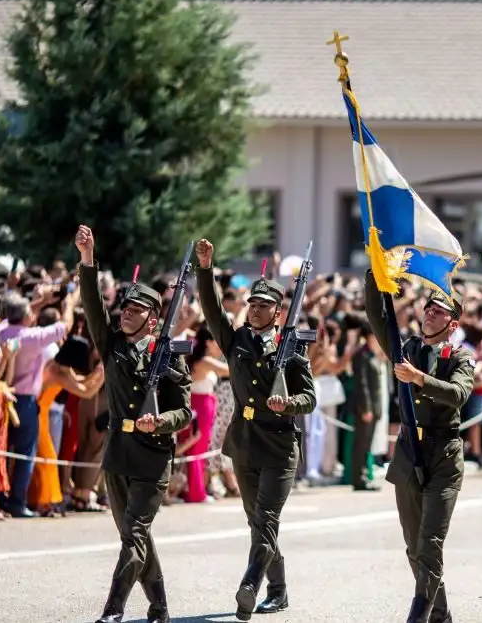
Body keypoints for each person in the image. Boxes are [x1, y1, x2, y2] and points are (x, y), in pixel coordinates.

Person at [194, 238, 317, 621]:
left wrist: (289, 404)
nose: (256, 310)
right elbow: (213, 310)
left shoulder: (292, 348)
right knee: (257, 521)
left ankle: (251, 584)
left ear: (279, 313)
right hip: (245, 443)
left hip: (279, 445)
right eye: (253, 304)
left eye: (264, 305)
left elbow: (309, 398)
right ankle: (278, 590)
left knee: (265, 521)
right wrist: (205, 268)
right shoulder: (237, 341)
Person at [75, 225, 193, 623]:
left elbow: (185, 412)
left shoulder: (171, 355)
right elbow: (93, 306)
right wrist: (88, 260)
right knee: (133, 536)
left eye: (136, 309)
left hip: (153, 459)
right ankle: (159, 603)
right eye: (124, 307)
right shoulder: (112, 345)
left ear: (154, 318)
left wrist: (158, 422)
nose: (126, 312)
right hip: (118, 456)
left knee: (135, 535)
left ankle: (114, 609)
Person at [363, 266, 475, 623]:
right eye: (429, 308)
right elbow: (376, 315)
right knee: (414, 546)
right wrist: (375, 271)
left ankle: (419, 616)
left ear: (452, 324)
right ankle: (440, 613)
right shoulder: (404, 347)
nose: (430, 313)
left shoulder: (459, 358)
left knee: (430, 543)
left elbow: (458, 394)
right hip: (409, 451)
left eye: (439, 311)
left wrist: (419, 378)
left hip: (443, 455)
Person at [349, 316, 385, 492]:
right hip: (366, 408)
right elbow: (362, 384)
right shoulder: (361, 355)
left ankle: (364, 476)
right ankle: (359, 478)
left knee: (367, 444)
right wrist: (367, 408)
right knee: (361, 444)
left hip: (373, 408)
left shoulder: (371, 355)